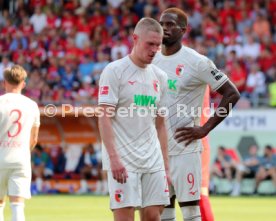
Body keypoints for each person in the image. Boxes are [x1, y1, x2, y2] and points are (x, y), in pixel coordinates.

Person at [153, 8, 240, 221]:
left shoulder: (197, 62)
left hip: (185, 150)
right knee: (164, 212)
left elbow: (232, 93)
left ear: (183, 30)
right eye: (162, 23)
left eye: (171, 24)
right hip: (157, 150)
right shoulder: (151, 59)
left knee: (191, 213)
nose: (165, 28)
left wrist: (205, 128)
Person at [98, 17, 170, 221]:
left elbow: (161, 124)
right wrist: (113, 158)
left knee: (153, 216)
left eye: (158, 45)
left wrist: (165, 165)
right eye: (150, 44)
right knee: (125, 218)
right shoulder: (115, 71)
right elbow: (104, 117)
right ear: (135, 39)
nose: (155, 50)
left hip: (152, 158)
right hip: (123, 159)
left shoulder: (160, 77)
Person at [0, 65, 40, 221]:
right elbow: (34, 139)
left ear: (5, 82)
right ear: (23, 83)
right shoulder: (32, 105)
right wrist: (23, 150)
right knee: (17, 206)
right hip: (20, 159)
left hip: (0, 158)